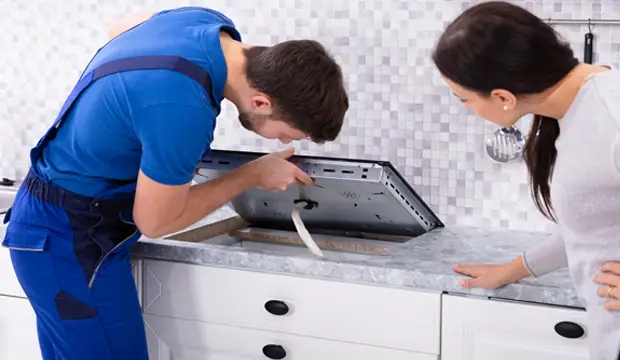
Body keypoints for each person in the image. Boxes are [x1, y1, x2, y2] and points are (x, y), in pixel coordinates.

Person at [2, 6, 349, 360]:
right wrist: (252, 175)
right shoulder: (184, 109)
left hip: (58, 228)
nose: (281, 142)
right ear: (261, 102)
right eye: (288, 135)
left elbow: (119, 30)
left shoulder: (204, 23)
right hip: (68, 243)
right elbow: (155, 221)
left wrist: (146, 139)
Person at [432, 2, 620, 359]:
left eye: (464, 100)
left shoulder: (611, 118)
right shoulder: (575, 109)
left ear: (502, 97)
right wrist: (513, 270)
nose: (467, 109)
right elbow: (595, 229)